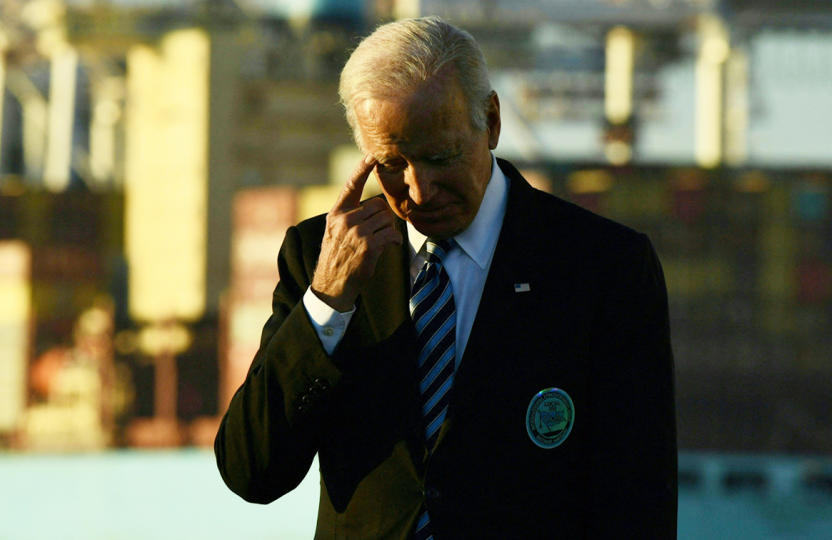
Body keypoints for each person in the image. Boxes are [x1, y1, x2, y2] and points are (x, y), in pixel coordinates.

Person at [215, 16, 676, 539]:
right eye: (391, 163)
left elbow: (639, 499)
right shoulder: (316, 256)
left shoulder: (603, 267)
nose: (419, 189)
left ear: (493, 120)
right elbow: (251, 472)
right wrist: (326, 304)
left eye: (441, 157)